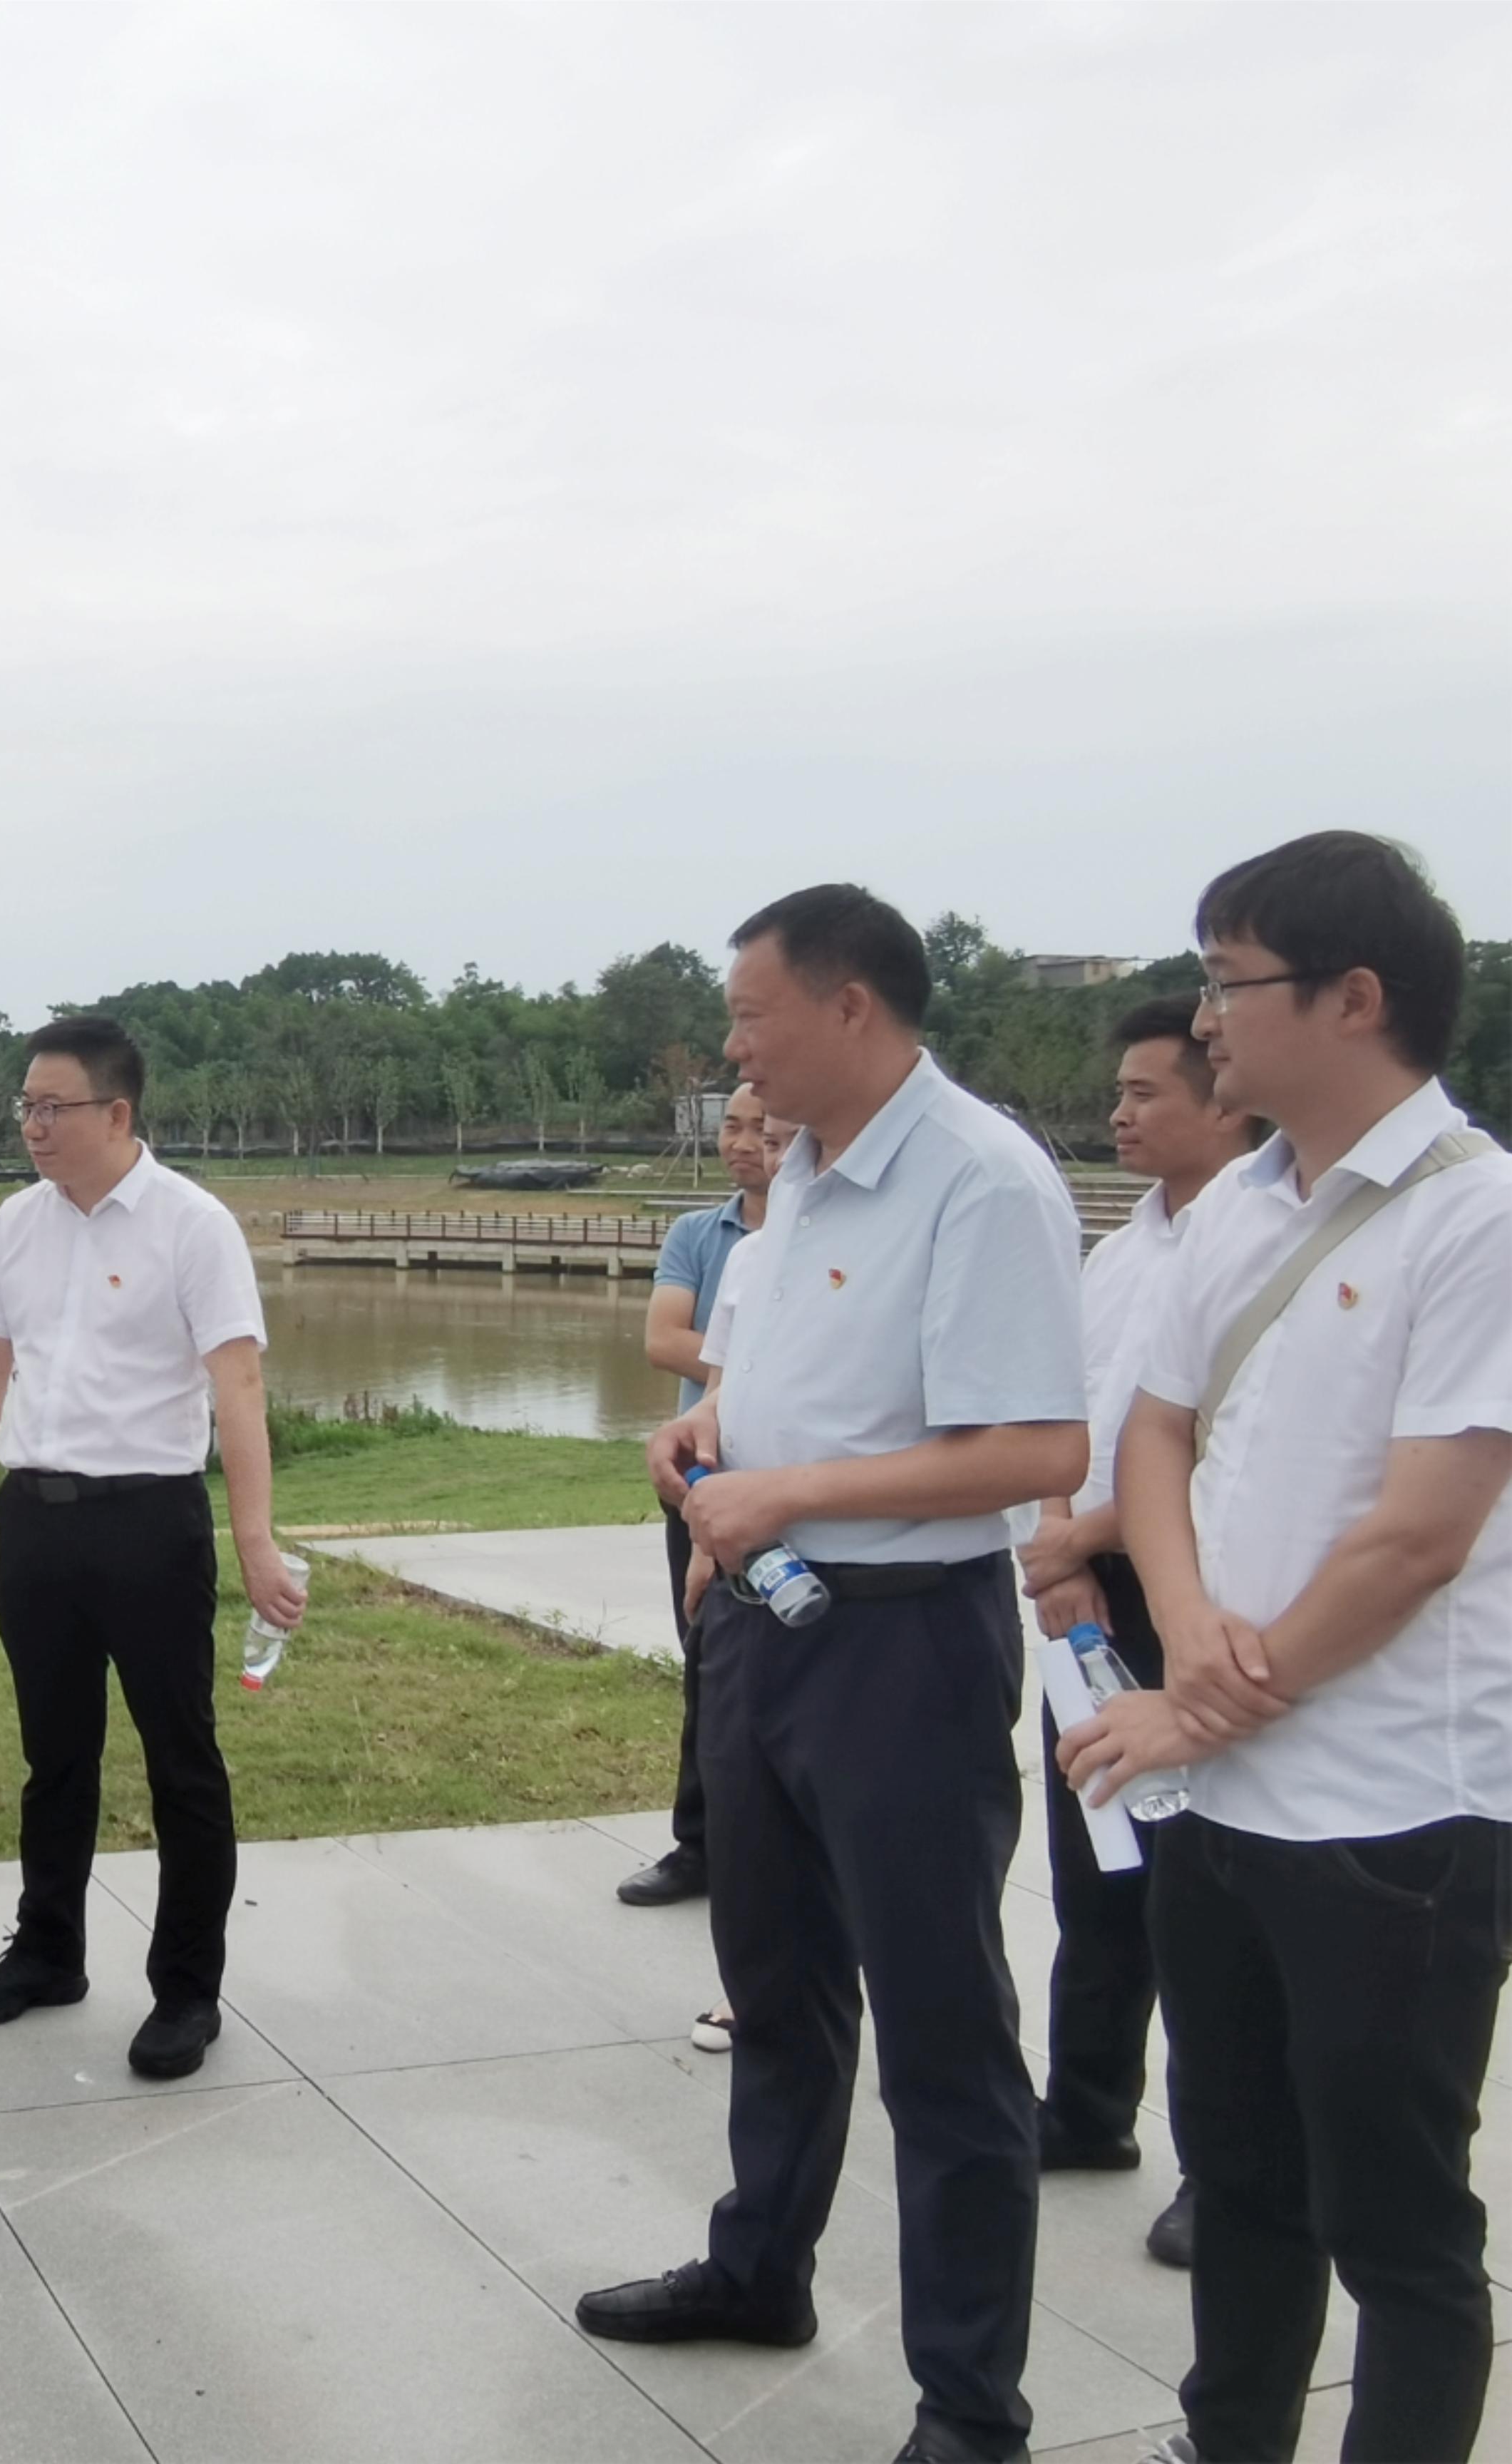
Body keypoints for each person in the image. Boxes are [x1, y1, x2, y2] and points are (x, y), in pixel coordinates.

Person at [574, 888, 1088, 2464]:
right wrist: (709, 1432)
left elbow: (1036, 1448)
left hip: (901, 1645)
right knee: (775, 1981)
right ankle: (759, 2267)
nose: (733, 1052)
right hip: (763, 1625)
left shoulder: (979, 1178)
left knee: (941, 2030)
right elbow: (767, 1378)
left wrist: (787, 1491)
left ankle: (970, 2407)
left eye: (750, 1017)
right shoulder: (794, 1177)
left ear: (849, 1004)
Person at [1059, 831, 1510, 2464]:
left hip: (1394, 1817)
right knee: (1242, 2180)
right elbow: (1156, 1433)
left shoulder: (1477, 1216)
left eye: (1228, 980)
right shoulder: (1236, 1208)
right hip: (1224, 1804)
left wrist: (1196, 1707)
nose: (1205, 1017)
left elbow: (1418, 1535)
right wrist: (1184, 1637)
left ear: (1353, 996)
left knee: (1395, 2222)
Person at [0, 1016, 304, 2081]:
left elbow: (238, 1385)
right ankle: (48, 1951)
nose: (32, 1126)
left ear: (116, 1112)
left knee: (179, 1760)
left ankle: (187, 1989)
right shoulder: (18, 1221)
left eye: (52, 1107)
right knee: (54, 1756)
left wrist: (255, 1540)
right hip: (39, 1519)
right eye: (25, 1107)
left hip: (151, 1523)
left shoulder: (192, 1225)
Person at [1014, 994, 1257, 2269]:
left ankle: (1224, 2169)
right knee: (1096, 1867)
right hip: (1085, 1594)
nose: (1118, 1113)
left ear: (1223, 1104)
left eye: (1144, 1093)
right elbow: (1062, 1410)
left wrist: (1086, 1541)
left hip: (1191, 1599)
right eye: (1117, 1092)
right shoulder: (1115, 1253)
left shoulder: (1255, 1241)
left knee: (1202, 1901)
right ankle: (1087, 2106)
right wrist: (1058, 1542)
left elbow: (1212, 1444)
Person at [621, 1082, 787, 1911]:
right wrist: (755, 1368)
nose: (746, 1143)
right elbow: (665, 1340)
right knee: (708, 1661)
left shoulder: (821, 1239)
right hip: (702, 1479)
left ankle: (773, 1851)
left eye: (767, 1131)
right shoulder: (704, 1235)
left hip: (788, 1492)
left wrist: (746, 1366)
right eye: (734, 1126)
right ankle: (702, 1844)